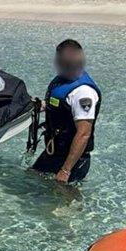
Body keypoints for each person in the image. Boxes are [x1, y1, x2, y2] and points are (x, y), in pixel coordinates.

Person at [32, 39, 100, 183]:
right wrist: (43, 106)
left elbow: (83, 134)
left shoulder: (83, 93)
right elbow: (62, 106)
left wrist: (65, 170)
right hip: (55, 152)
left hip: (72, 159)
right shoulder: (63, 80)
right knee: (31, 177)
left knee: (65, 197)